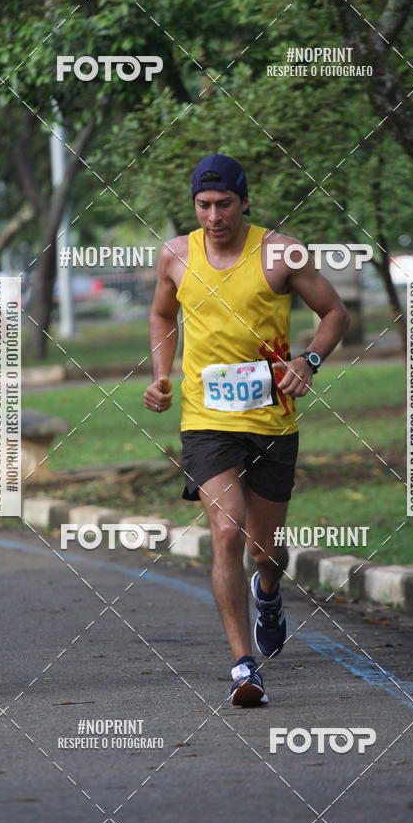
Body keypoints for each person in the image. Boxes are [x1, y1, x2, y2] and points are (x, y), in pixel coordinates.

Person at [144, 154, 349, 707]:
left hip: (272, 419)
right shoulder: (176, 256)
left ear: (245, 202)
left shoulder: (281, 253)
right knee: (227, 530)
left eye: (224, 204)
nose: (213, 216)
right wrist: (161, 374)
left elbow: (335, 313)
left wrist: (309, 360)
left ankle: (269, 590)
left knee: (265, 551)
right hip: (205, 420)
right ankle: (243, 664)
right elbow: (162, 316)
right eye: (203, 205)